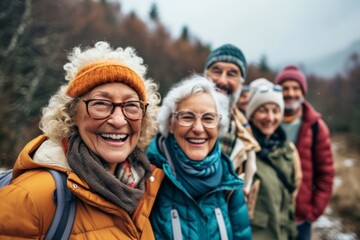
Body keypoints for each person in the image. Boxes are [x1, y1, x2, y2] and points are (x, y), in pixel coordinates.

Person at [0, 41, 164, 239]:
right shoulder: (30, 198)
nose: (119, 120)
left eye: (131, 105)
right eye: (101, 104)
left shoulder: (140, 190)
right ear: (71, 114)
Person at [146, 75, 252, 239]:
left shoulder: (230, 183)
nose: (198, 128)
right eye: (187, 117)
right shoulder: (148, 178)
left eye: (208, 118)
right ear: (170, 125)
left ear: (218, 126)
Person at [274, 65, 335, 240]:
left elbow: (326, 173)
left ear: (303, 92)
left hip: (300, 218)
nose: (290, 93)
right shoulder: (267, 121)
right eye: (285, 88)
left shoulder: (316, 127)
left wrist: (313, 210)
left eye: (295, 88)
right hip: (268, 214)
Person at [246, 78, 302, 240]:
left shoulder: (289, 151)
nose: (270, 117)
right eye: (263, 110)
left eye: (276, 111)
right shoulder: (242, 150)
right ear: (252, 113)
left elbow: (291, 200)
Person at [204, 43, 260, 196]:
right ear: (205, 75)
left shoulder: (245, 135)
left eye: (232, 74)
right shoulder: (174, 117)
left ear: (241, 83)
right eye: (216, 71)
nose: (222, 80)